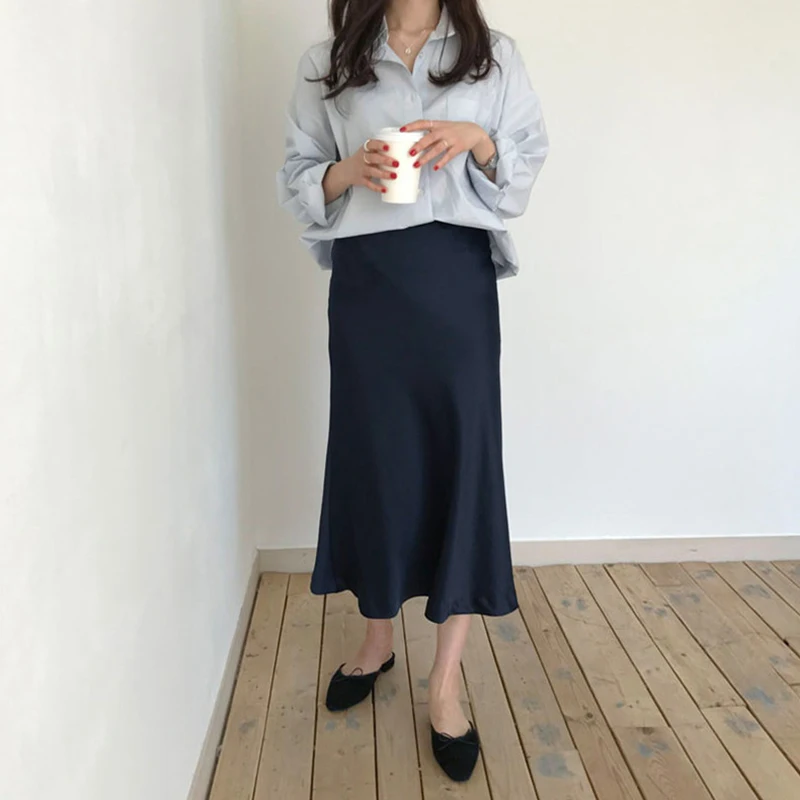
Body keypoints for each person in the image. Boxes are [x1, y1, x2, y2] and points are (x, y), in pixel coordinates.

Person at [277, 0, 548, 782]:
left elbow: (523, 168)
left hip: (456, 281)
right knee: (375, 465)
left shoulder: (494, 55)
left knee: (463, 464)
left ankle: (447, 682)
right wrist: (347, 171)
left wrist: (478, 140)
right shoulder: (328, 60)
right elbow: (296, 174)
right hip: (369, 287)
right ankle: (376, 640)